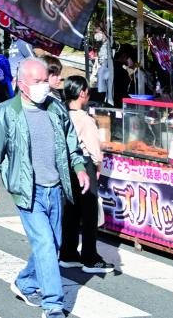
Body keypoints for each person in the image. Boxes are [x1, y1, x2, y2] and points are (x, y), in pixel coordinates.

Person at [0, 57, 90, 317]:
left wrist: (79, 168)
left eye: (45, 80)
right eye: (37, 82)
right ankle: (53, 306)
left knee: (53, 245)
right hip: (28, 191)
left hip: (55, 188)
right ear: (21, 83)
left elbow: (69, 140)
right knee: (45, 245)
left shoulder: (55, 108)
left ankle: (25, 282)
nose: (44, 87)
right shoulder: (6, 112)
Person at [59, 76, 114, 274]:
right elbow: (94, 149)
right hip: (85, 163)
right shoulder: (85, 119)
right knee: (89, 212)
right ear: (82, 93)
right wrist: (98, 166)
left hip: (68, 166)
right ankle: (90, 257)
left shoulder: (62, 115)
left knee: (71, 210)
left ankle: (68, 253)